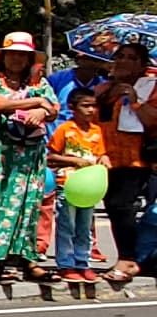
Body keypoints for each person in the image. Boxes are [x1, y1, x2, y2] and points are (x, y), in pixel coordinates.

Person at [0, 32, 60, 281]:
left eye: (22, 55)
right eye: (12, 54)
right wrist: (35, 104)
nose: (16, 59)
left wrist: (42, 111)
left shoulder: (40, 83)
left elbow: (53, 110)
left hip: (30, 157)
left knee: (28, 206)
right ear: (3, 56)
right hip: (0, 155)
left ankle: (26, 259)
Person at [93, 44, 156, 284]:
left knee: (123, 205)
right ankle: (134, 257)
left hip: (139, 158)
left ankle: (128, 259)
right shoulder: (103, 89)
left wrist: (135, 100)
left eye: (131, 58)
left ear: (142, 66)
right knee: (114, 206)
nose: (122, 61)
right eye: (119, 56)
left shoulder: (151, 88)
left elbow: (152, 121)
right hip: (107, 157)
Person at [49, 90, 108, 287]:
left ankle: (83, 262)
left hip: (88, 187)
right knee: (67, 225)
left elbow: (100, 154)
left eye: (93, 105)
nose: (91, 110)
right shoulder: (65, 130)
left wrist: (104, 159)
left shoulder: (96, 131)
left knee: (85, 226)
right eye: (85, 105)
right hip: (67, 183)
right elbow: (51, 156)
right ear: (73, 108)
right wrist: (73, 160)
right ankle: (66, 263)